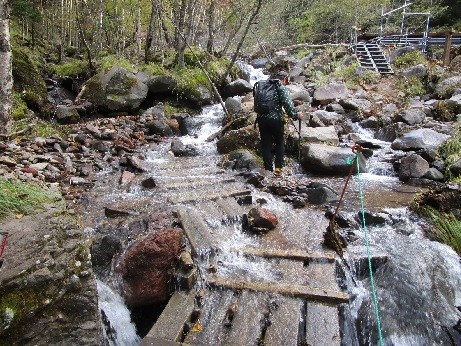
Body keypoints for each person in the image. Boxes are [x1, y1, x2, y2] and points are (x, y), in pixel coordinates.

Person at [256, 71, 303, 175]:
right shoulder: (280, 87)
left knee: (266, 144)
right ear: (285, 79)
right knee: (279, 142)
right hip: (275, 119)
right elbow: (288, 106)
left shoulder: (263, 86)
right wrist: (296, 115)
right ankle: (278, 169)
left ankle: (268, 170)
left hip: (261, 119)